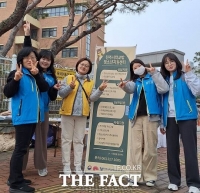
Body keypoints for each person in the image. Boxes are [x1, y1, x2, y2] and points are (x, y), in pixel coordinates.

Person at [4, 47, 49, 193]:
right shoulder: (16, 74)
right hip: (23, 117)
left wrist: (37, 75)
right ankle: (15, 184)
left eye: (33, 58)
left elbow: (44, 88)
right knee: (20, 149)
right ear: (21, 60)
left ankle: (15, 177)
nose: (31, 60)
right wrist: (16, 79)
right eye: (27, 58)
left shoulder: (35, 74)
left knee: (23, 149)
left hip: (33, 118)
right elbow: (8, 92)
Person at [118, 59, 169, 187]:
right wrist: (124, 86)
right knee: (135, 148)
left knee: (150, 148)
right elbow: (130, 89)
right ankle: (134, 176)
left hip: (151, 117)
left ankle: (150, 176)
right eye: (135, 68)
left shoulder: (153, 77)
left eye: (139, 66)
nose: (138, 68)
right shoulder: (135, 81)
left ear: (144, 66)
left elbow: (164, 89)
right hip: (136, 118)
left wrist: (154, 74)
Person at [22, 21, 60, 177]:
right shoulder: (31, 70)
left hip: (43, 111)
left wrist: (54, 90)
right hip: (28, 110)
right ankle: (20, 167)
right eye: (43, 58)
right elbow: (27, 51)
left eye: (48, 60)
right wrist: (27, 35)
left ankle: (41, 165)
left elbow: (51, 96)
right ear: (38, 59)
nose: (45, 61)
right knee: (23, 141)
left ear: (51, 62)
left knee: (41, 140)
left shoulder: (52, 77)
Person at [58, 57, 108, 174]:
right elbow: (61, 94)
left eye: (86, 66)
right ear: (77, 65)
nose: (84, 66)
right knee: (66, 140)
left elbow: (91, 98)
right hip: (67, 113)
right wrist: (70, 87)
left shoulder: (91, 82)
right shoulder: (68, 78)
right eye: (82, 64)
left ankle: (77, 166)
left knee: (79, 141)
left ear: (89, 69)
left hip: (82, 114)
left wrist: (100, 89)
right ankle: (66, 166)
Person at [160, 53, 200, 193]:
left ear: (176, 62)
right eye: (166, 62)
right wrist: (162, 122)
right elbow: (162, 102)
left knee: (190, 151)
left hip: (187, 117)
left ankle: (194, 183)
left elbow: (197, 90)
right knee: (171, 151)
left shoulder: (184, 75)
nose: (169, 64)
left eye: (171, 61)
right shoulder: (164, 80)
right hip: (170, 119)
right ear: (164, 66)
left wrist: (189, 73)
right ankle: (174, 181)